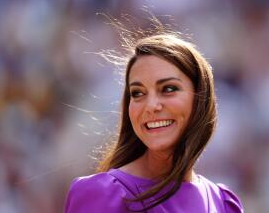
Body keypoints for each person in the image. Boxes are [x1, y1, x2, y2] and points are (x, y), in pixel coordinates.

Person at [64, 31, 244, 212]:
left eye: (168, 88)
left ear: (200, 98)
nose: (151, 106)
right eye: (138, 93)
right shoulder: (102, 194)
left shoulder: (223, 203)